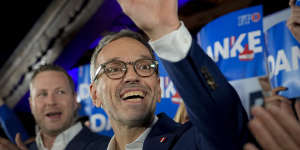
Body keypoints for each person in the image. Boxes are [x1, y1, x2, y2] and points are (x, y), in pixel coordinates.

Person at [89, 0, 252, 149]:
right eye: (114, 69)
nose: (132, 76)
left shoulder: (191, 141)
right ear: (95, 94)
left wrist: (166, 33)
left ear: (159, 89)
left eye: (145, 66)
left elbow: (224, 125)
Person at [1, 64, 110, 150]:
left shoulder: (109, 147)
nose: (51, 101)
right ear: (31, 104)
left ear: (74, 100)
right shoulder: (25, 147)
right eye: (42, 94)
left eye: (60, 92)